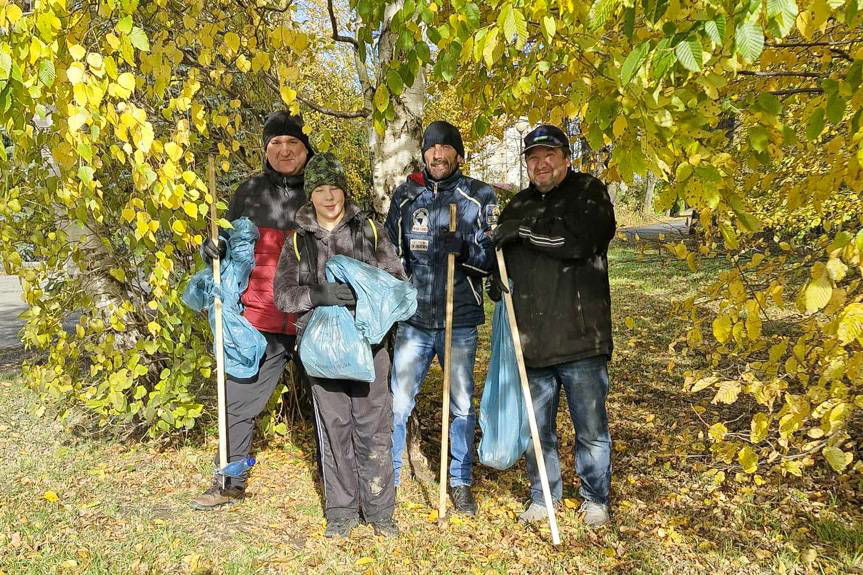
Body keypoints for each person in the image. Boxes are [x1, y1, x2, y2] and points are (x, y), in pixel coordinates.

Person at [273, 153, 406, 538]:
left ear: (345, 191)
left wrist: (364, 295)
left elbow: (395, 280)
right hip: (322, 351)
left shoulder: (370, 231)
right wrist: (318, 294)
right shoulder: (298, 242)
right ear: (310, 194)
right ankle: (342, 512)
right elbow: (282, 296)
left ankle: (380, 512)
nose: (329, 197)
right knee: (334, 428)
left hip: (370, 346)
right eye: (320, 189)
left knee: (374, 427)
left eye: (335, 188)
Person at [491, 124, 616, 528]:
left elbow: (584, 241)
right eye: (532, 157)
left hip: (582, 338)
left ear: (565, 157)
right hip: (532, 341)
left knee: (591, 430)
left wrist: (525, 234)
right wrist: (496, 276)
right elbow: (502, 261)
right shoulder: (518, 205)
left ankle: (594, 498)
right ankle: (543, 495)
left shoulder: (589, 193)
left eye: (549, 155)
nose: (540, 163)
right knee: (536, 430)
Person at [191, 111, 313, 510]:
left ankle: (347, 490)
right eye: (275, 143)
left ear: (306, 150)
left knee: (338, 402)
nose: (283, 150)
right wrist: (215, 248)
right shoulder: (248, 192)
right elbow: (228, 243)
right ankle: (229, 481)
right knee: (239, 401)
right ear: (265, 150)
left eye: (292, 143)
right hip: (260, 317)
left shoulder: (322, 190)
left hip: (315, 315)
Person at [385, 121, 497, 515]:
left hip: (459, 320)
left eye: (445, 148)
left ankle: (460, 480)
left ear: (458, 155)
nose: (437, 154)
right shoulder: (405, 197)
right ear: (424, 154)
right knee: (398, 402)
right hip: (414, 321)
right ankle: (391, 476)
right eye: (431, 148)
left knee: (462, 405)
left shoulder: (479, 196)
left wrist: (466, 250)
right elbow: (390, 260)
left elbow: (494, 265)